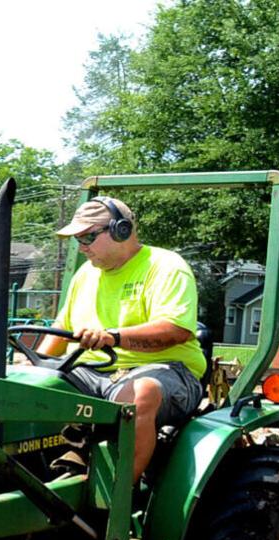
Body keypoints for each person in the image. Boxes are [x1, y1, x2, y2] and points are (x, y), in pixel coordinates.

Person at [39, 196, 205, 480]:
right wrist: (31, 369)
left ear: (121, 230)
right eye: (77, 240)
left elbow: (175, 330)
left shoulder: (164, 266)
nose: (82, 247)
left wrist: (112, 337)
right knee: (25, 388)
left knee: (138, 395)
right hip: (91, 371)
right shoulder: (84, 275)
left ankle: (117, 495)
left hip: (166, 370)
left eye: (88, 237)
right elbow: (60, 328)